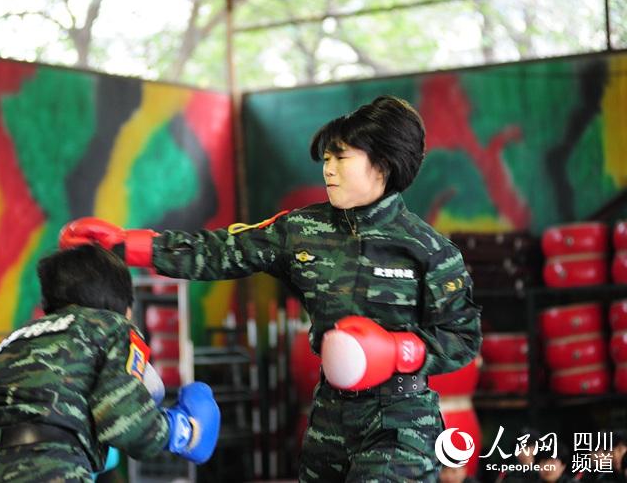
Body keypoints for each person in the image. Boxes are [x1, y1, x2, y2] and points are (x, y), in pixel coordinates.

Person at [60, 95, 482, 481]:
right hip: (331, 416)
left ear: (382, 164)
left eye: (341, 157)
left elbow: (463, 338)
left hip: (401, 420)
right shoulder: (300, 229)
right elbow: (221, 250)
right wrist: (129, 245)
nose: (328, 169)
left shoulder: (429, 250)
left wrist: (399, 351)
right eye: (326, 158)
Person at [0, 244, 220, 482]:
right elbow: (124, 421)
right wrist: (183, 430)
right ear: (123, 305)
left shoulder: (13, 340)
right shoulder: (112, 325)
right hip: (49, 468)